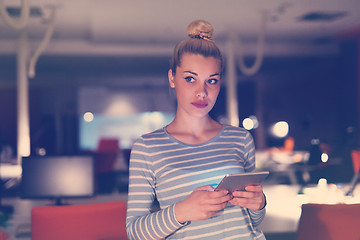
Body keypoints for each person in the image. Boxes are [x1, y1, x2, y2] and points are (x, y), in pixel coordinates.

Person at [126, 20, 267, 240]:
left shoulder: (241, 139)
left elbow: (253, 221)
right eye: (190, 79)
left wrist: (259, 204)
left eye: (212, 80)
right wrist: (181, 211)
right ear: (172, 78)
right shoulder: (148, 148)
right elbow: (135, 232)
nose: (202, 92)